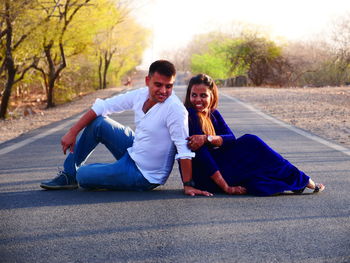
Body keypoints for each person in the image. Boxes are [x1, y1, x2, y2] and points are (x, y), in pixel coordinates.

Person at [40, 60, 211, 197]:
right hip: (133, 150)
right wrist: (72, 131)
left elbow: (183, 148)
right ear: (147, 81)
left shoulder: (174, 109)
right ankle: (69, 175)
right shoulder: (140, 94)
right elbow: (103, 106)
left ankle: (91, 174)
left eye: (169, 86)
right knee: (98, 123)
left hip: (143, 174)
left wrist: (188, 185)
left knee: (83, 175)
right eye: (158, 85)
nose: (164, 91)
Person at [182, 73, 325, 196]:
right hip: (205, 176)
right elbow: (203, 156)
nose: (198, 100)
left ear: (212, 96)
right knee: (251, 143)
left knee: (253, 161)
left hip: (216, 168)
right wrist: (226, 187)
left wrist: (207, 138)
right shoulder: (190, 116)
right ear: (189, 95)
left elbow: (231, 139)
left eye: (203, 95)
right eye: (194, 95)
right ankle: (301, 179)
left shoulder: (213, 114)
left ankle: (294, 181)